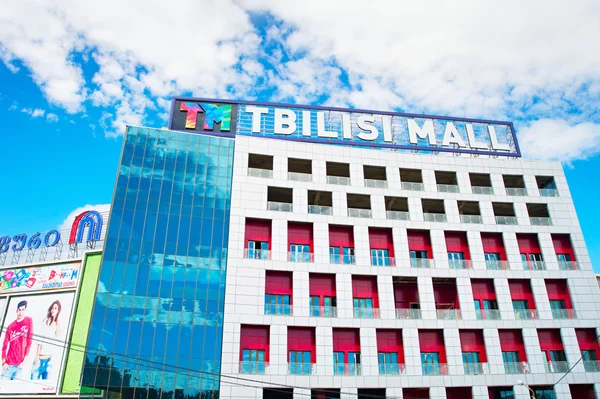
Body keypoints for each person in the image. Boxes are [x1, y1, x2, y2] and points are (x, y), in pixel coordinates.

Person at [1, 300, 33, 380]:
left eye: (23, 310)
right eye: (19, 310)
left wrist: (24, 362)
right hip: (9, 364)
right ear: (16, 311)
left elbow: (29, 343)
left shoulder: (28, 321)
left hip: (20, 365)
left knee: (14, 389)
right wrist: (3, 362)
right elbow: (4, 346)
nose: (21, 312)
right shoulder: (11, 326)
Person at [31, 300, 62, 380]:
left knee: (46, 387)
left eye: (55, 308)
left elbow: (58, 336)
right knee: (32, 385)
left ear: (58, 310)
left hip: (49, 360)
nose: (53, 310)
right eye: (52, 308)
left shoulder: (57, 324)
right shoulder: (45, 321)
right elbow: (39, 340)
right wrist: (37, 357)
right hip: (40, 359)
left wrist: (57, 322)